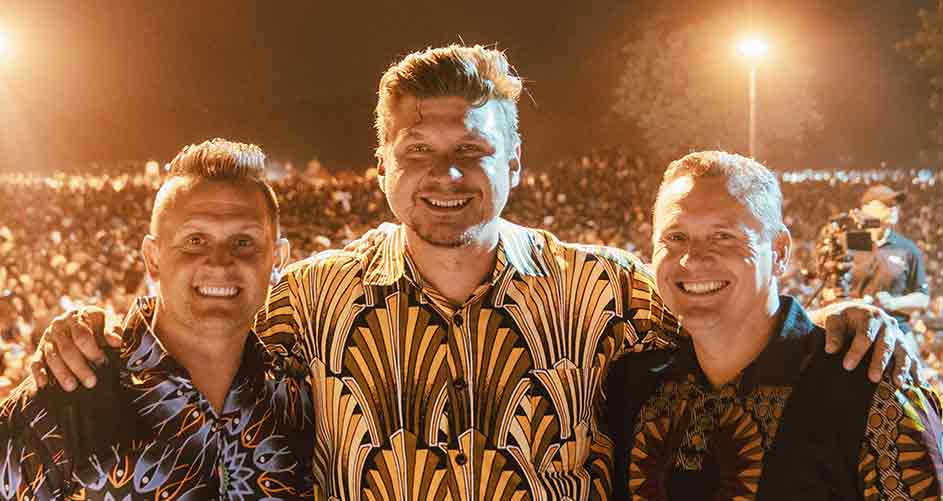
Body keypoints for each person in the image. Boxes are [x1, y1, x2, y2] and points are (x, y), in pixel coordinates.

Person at [35, 46, 913, 500]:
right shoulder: (304, 301)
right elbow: (196, 330)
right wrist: (87, 330)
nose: (445, 174)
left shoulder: (612, 290)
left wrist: (847, 318)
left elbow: (736, 317)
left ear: (517, 159)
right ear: (380, 163)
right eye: (417, 149)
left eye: (472, 149)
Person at [607, 151, 943, 499]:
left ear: (780, 251)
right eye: (675, 237)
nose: (693, 258)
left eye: (723, 236)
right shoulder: (633, 387)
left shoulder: (871, 391)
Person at [0, 139, 316, 499]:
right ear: (153, 258)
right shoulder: (67, 395)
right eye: (195, 240)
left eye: (244, 242)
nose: (219, 261)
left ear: (277, 259)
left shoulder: (300, 402)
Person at [851, 184, 931, 332]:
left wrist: (894, 302)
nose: (893, 208)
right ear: (866, 208)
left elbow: (923, 298)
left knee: (911, 355)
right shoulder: (848, 243)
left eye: (895, 204)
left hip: (895, 329)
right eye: (887, 204)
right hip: (852, 328)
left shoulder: (908, 248)